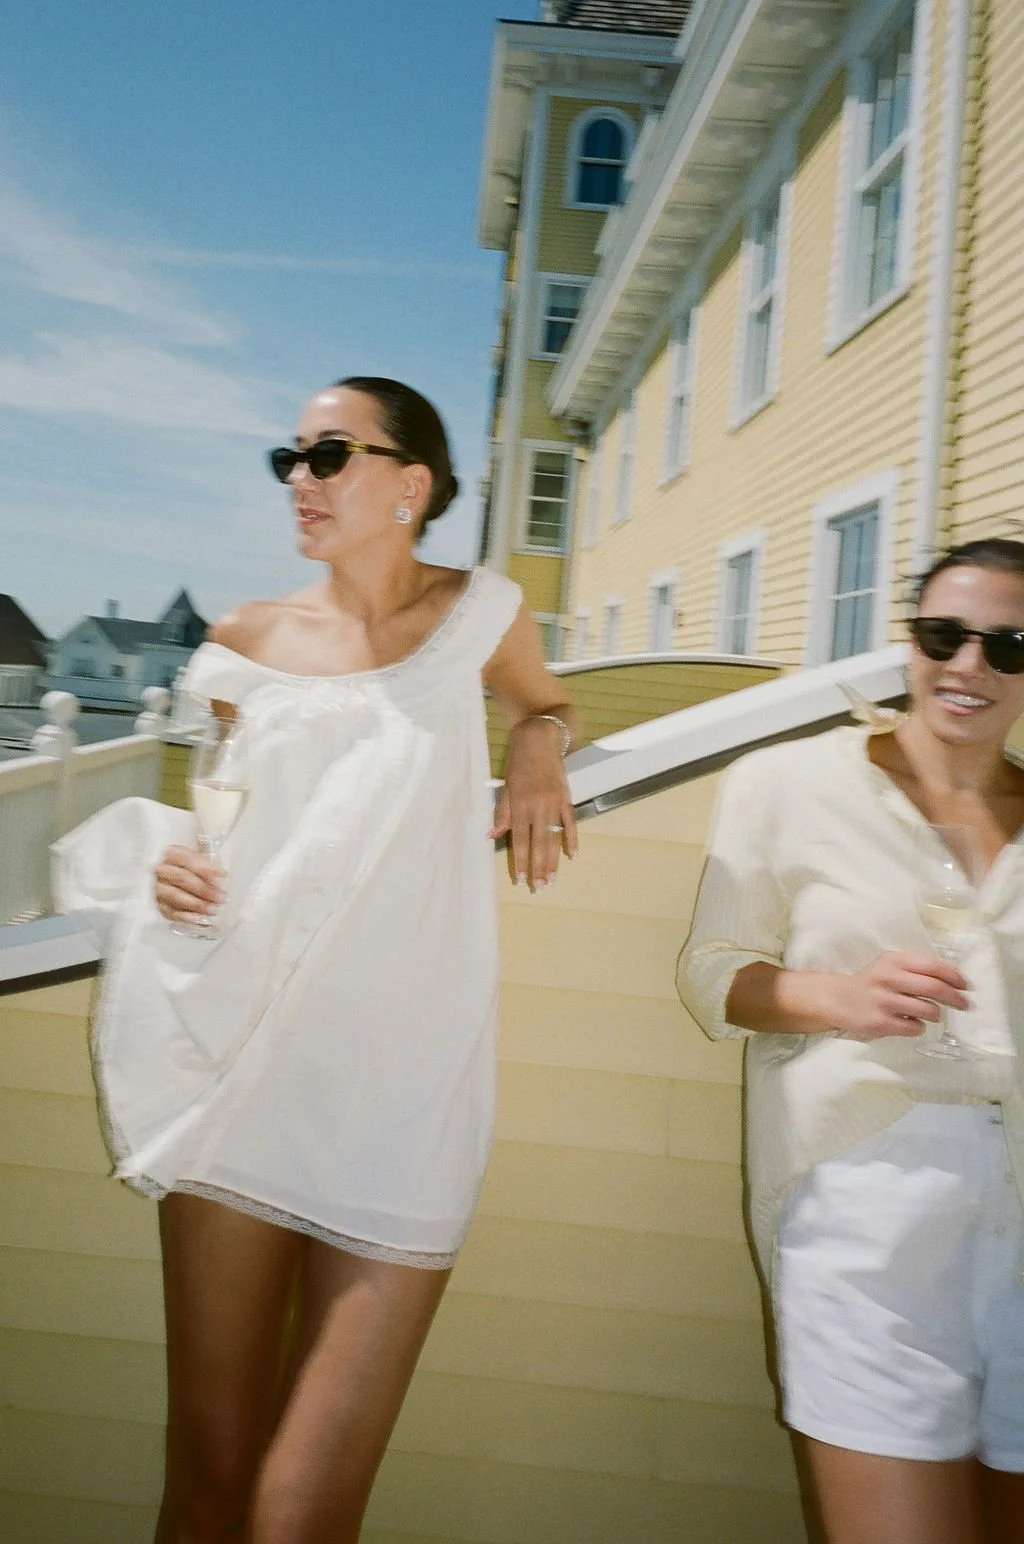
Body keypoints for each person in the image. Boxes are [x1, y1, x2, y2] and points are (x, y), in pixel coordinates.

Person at [54, 376, 580, 1544]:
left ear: (411, 484)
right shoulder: (243, 638)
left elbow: (544, 702)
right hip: (245, 1071)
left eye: (330, 454)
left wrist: (539, 740)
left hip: (406, 1093)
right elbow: (227, 819)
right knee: (210, 1474)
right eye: (289, 457)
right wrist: (169, 868)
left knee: (302, 1510)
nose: (300, 477)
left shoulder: (483, 611)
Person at [677, 538, 1024, 1544]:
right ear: (909, 643)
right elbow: (711, 972)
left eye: (1008, 645)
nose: (968, 665)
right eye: (943, 635)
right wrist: (839, 995)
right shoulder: (787, 782)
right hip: (866, 1198)